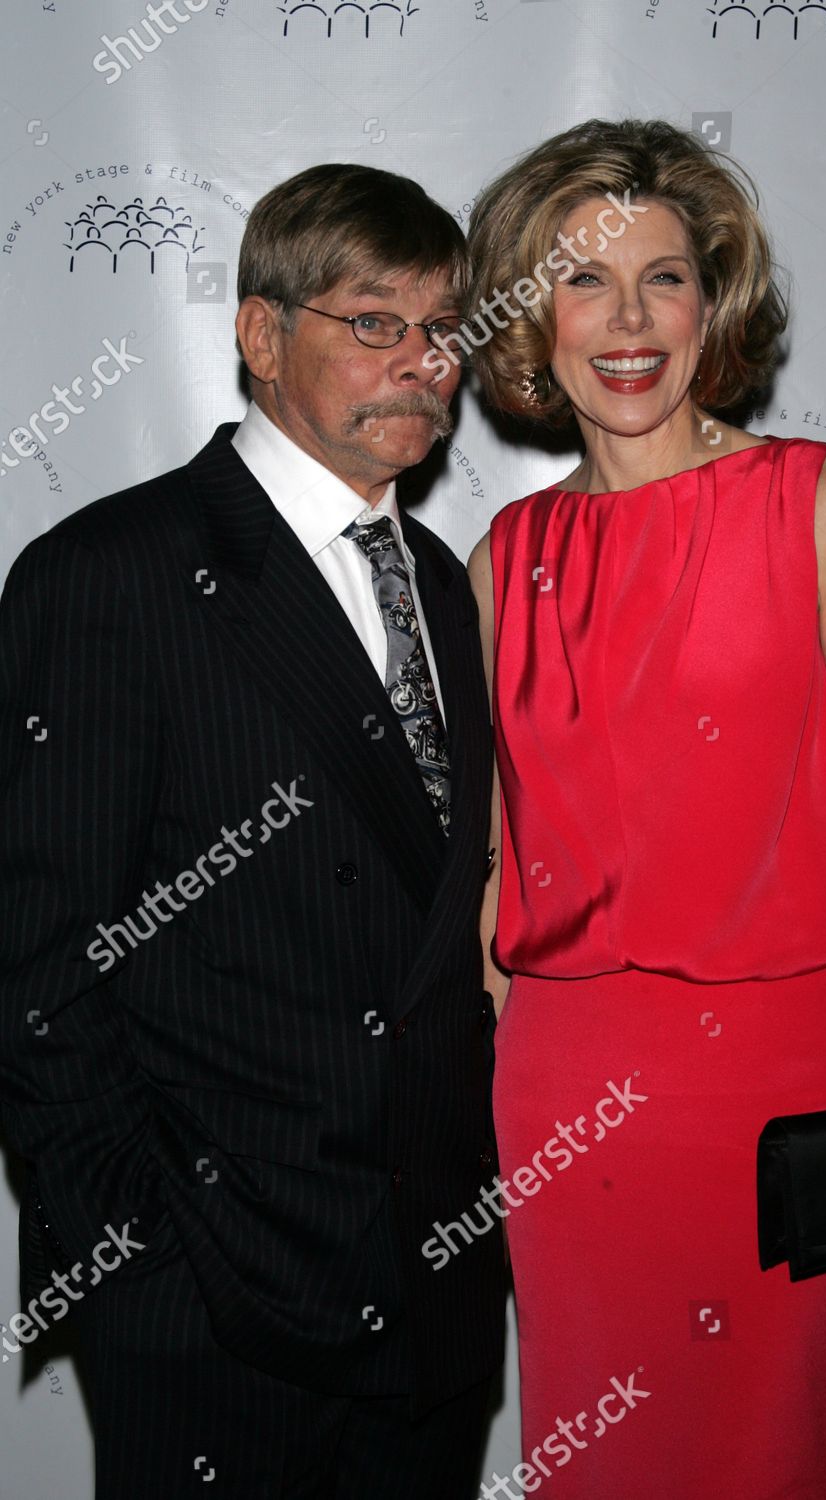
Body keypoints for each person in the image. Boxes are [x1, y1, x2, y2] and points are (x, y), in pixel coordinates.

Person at [465, 119, 826, 1499]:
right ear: (534, 316)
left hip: (781, 1074)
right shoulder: (499, 561)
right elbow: (492, 869)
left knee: (765, 1452)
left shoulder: (819, 505)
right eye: (585, 280)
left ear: (718, 305)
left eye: (667, 277)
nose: (629, 320)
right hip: (567, 1093)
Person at [0, 163, 505, 1498]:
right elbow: (36, 969)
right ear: (262, 335)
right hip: (216, 1306)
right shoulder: (110, 575)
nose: (420, 362)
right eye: (372, 320)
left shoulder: (445, 588)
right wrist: (141, 1261)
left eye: (444, 328)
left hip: (430, 1279)